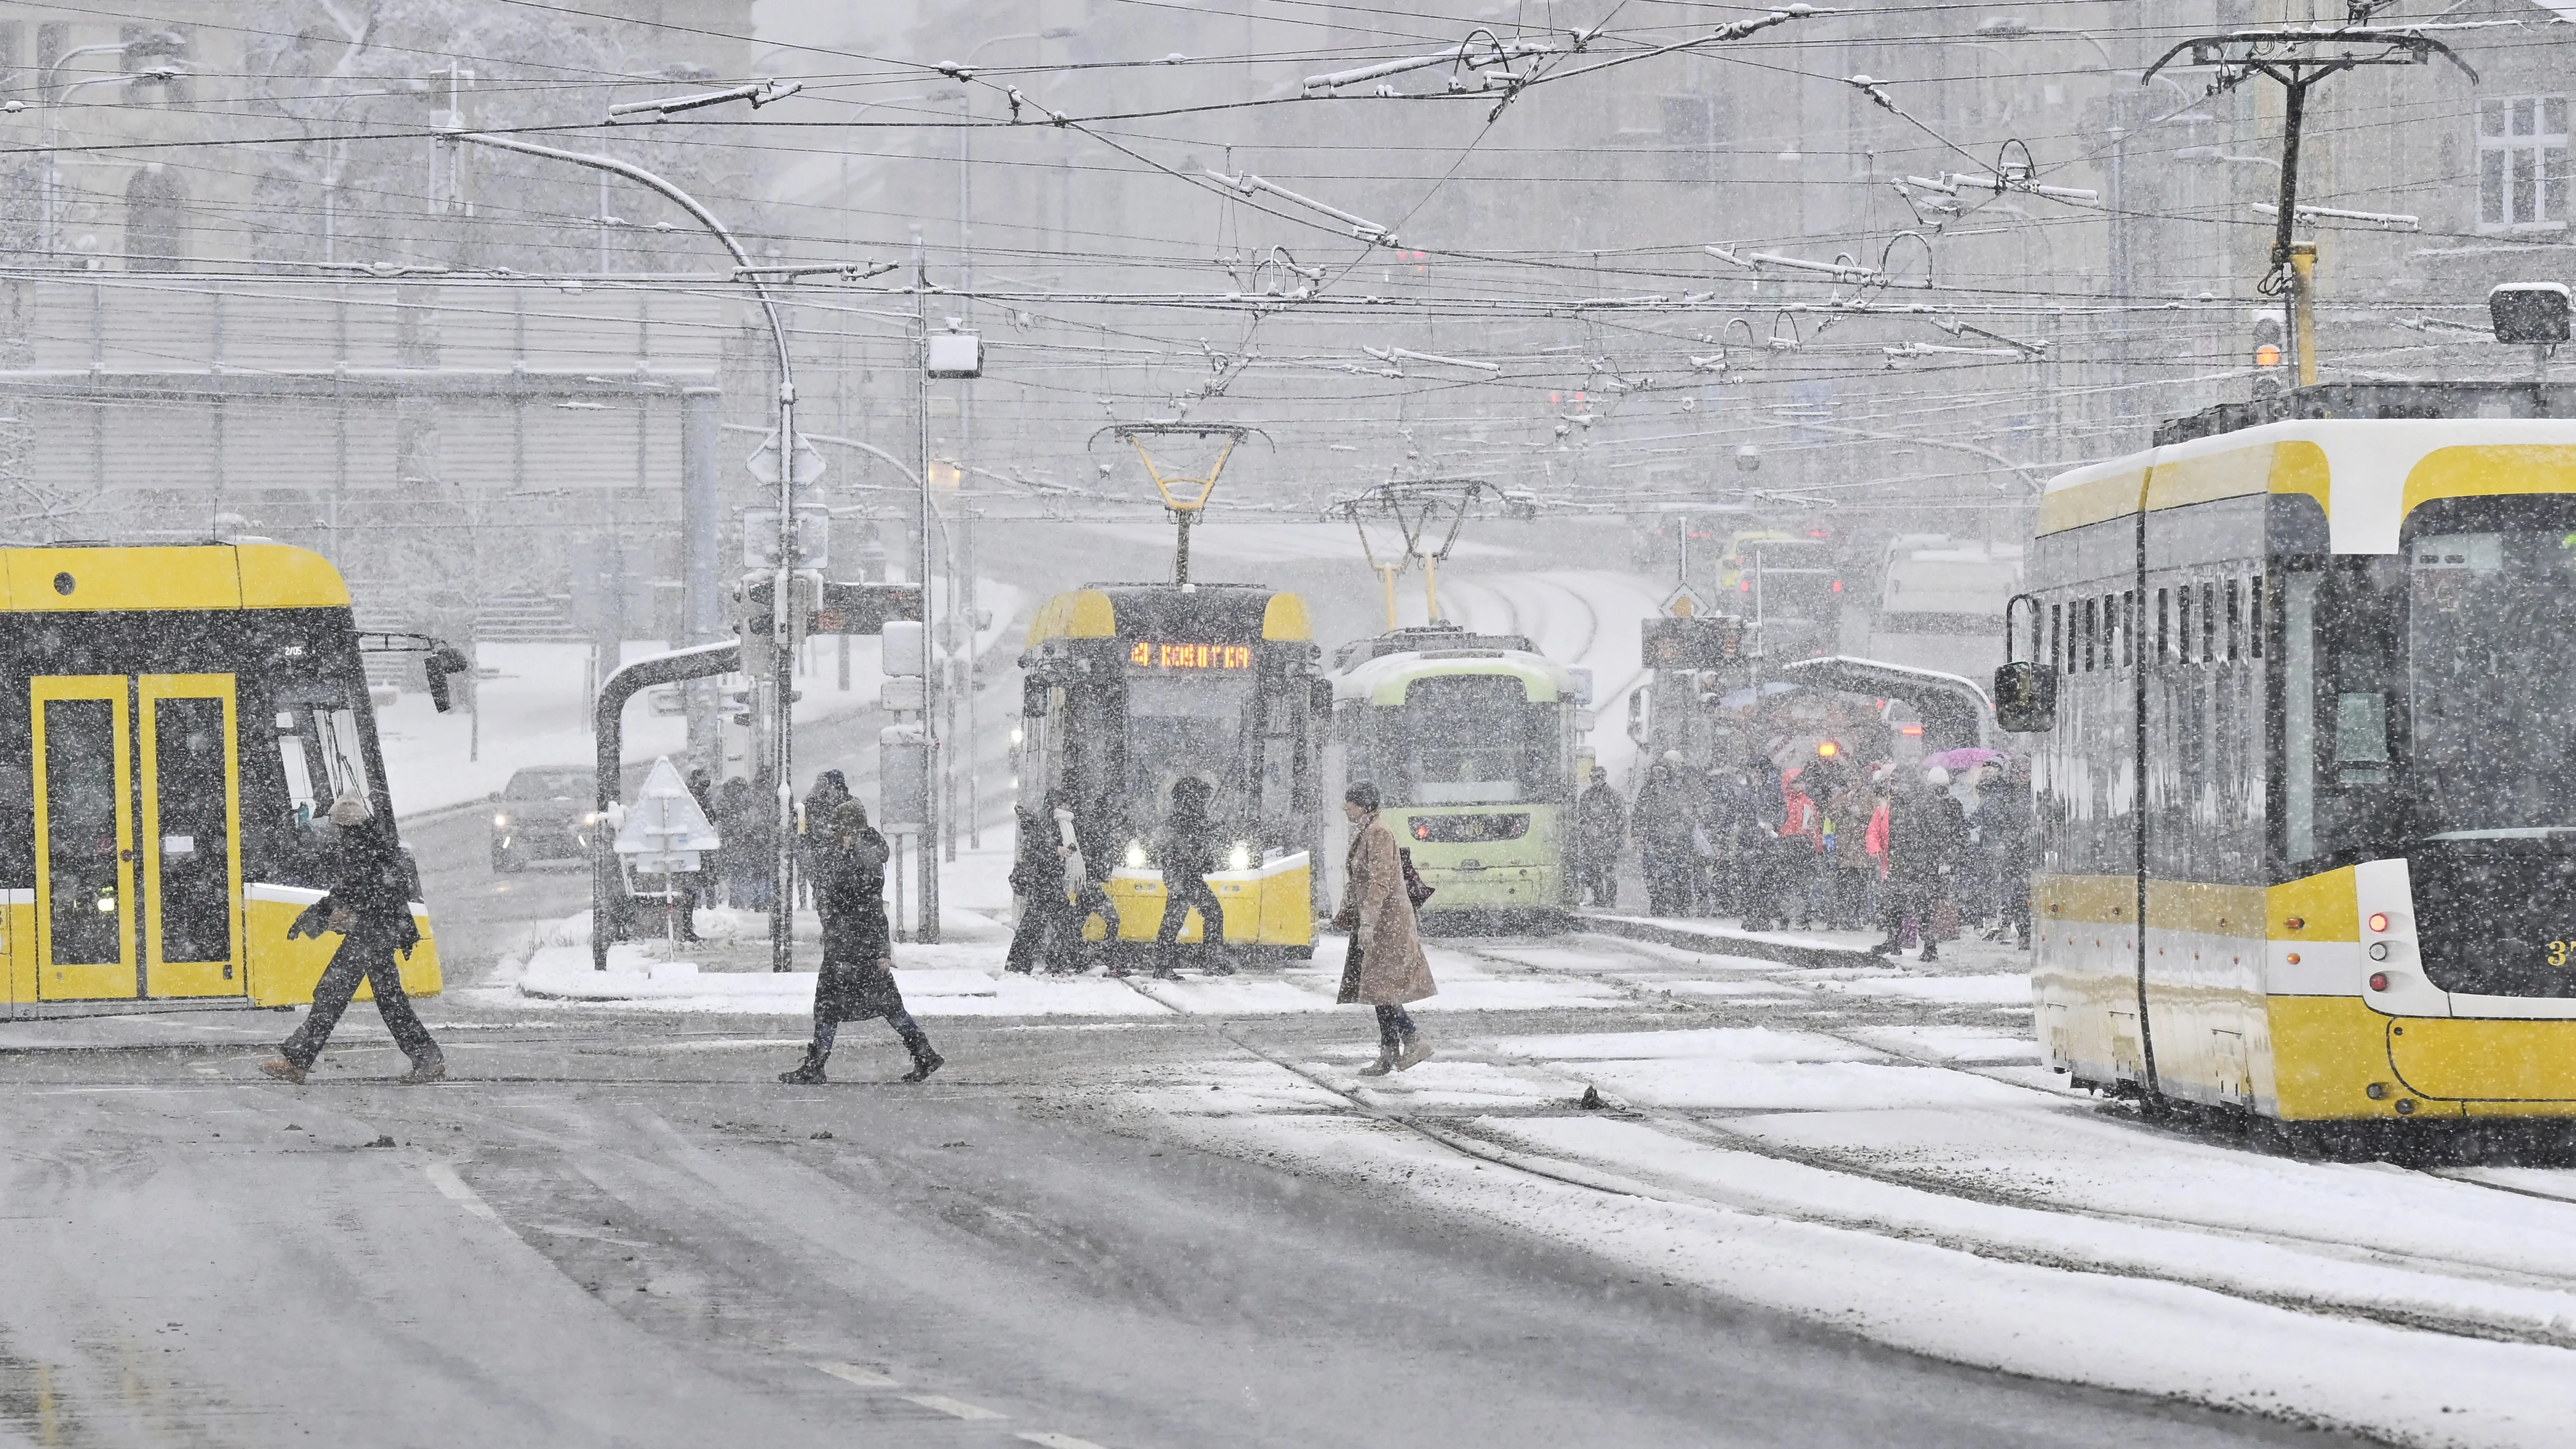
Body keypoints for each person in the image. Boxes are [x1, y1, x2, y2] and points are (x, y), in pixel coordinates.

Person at [260, 793, 445, 1085]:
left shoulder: (363, 848)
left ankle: (297, 1062)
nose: (334, 831)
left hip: (373, 935)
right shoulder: (371, 843)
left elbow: (350, 893)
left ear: (345, 825)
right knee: (387, 1000)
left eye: (336, 825)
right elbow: (360, 892)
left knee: (332, 994)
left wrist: (315, 918)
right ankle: (427, 1058)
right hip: (377, 933)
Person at [780, 801, 942, 1084]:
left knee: (830, 1005)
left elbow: (868, 906)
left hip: (852, 947)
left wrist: (880, 950)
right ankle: (924, 1053)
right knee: (886, 1006)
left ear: (849, 830)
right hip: (854, 944)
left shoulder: (860, 858)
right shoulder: (859, 853)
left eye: (838, 831)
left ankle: (817, 1066)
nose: (834, 836)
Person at [1331, 781, 1437, 1076]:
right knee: (1380, 991)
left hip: (1386, 924)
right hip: (1377, 921)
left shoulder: (1378, 832)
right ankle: (1389, 1055)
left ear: (1364, 806)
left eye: (1350, 803)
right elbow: (1358, 881)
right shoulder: (1368, 831)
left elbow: (1380, 881)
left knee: (1382, 990)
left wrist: (1368, 923)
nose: (1345, 808)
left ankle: (1413, 1038)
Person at [1874, 766, 1968, 962]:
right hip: (1903, 863)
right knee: (1894, 904)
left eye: (1897, 783)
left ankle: (1930, 947)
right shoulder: (1900, 803)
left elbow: (1939, 834)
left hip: (1923, 864)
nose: (1895, 787)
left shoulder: (1925, 803)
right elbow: (1897, 836)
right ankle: (1893, 941)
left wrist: (1942, 859)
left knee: (1923, 907)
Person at [1151, 776, 1230, 979]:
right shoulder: (1188, 821)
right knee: (1207, 914)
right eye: (1202, 798)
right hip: (1184, 876)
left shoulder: (1183, 819)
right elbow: (1186, 850)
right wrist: (1202, 861)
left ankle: (1164, 966)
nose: (1204, 802)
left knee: (1175, 920)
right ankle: (1210, 961)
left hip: (1182, 875)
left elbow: (1174, 849)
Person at [1005, 803, 1073, 974]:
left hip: (1049, 885)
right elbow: (1036, 853)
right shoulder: (1047, 827)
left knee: (1040, 925)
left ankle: (1021, 963)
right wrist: (1057, 851)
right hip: (1045, 885)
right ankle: (1026, 963)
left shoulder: (1058, 825)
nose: (1069, 806)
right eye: (1065, 803)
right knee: (1043, 924)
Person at [1633, 751, 1701, 917]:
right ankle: (1658, 901)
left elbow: (1687, 811)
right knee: (1653, 873)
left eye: (1662, 772)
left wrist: (1684, 826)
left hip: (1676, 839)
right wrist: (1637, 833)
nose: (1659, 776)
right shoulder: (1647, 791)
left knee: (1680, 872)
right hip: (1655, 838)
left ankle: (1681, 904)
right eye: (1656, 772)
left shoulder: (1678, 789)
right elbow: (1639, 814)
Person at [1983, 757, 2037, 949]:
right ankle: (2023, 930)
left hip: (2030, 850)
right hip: (2012, 850)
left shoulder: (2036, 792)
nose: (2023, 776)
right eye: (2019, 772)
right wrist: (2008, 834)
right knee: (2015, 894)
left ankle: (2028, 930)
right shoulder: (2007, 793)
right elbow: (1997, 817)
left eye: (2026, 772)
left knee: (2028, 892)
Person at [1574, 765, 1627, 908]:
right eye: (1593, 778)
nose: (1596, 780)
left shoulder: (1614, 796)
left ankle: (1610, 900)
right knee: (1594, 872)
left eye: (1598, 777)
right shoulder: (1586, 797)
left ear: (1604, 777)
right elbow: (1582, 820)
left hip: (1609, 840)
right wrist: (1585, 838)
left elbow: (1622, 819)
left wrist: (1618, 838)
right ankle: (1599, 899)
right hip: (1593, 842)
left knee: (1610, 872)